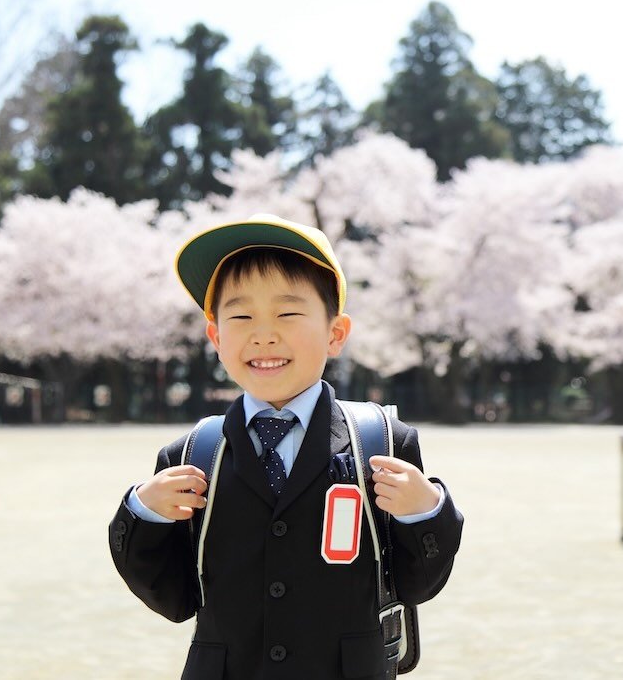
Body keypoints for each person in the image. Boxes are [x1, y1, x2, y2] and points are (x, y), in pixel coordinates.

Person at [108, 214, 463, 679]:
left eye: (288, 313)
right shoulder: (192, 454)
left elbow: (418, 583)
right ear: (216, 336)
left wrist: (425, 512)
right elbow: (173, 599)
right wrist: (143, 514)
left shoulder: (382, 442)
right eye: (240, 315)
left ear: (335, 333)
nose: (263, 333)